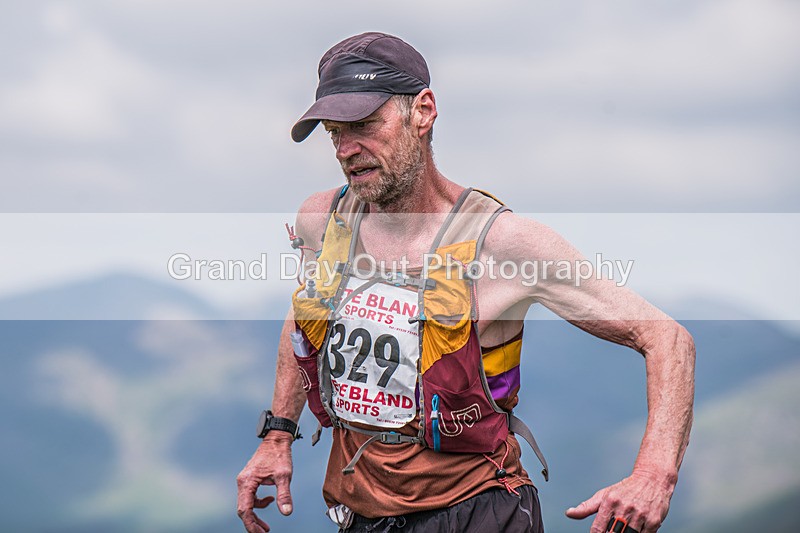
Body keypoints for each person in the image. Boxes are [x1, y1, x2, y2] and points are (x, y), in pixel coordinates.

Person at [237, 32, 695, 533]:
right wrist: (278, 435)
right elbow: (305, 318)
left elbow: (667, 338)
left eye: (365, 125)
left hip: (479, 512)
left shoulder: (505, 243)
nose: (348, 149)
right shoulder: (321, 220)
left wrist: (654, 475)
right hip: (359, 512)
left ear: (423, 111)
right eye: (333, 133)